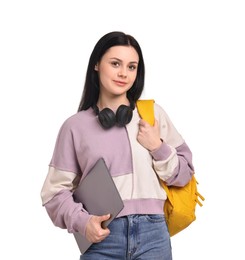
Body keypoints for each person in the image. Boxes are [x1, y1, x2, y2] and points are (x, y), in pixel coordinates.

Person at [41, 31, 194, 260]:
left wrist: (157, 146)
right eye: (115, 63)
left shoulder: (152, 116)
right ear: (96, 64)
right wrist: (84, 222)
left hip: (154, 235)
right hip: (103, 238)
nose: (124, 73)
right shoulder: (75, 127)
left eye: (132, 67)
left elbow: (185, 175)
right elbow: (54, 194)